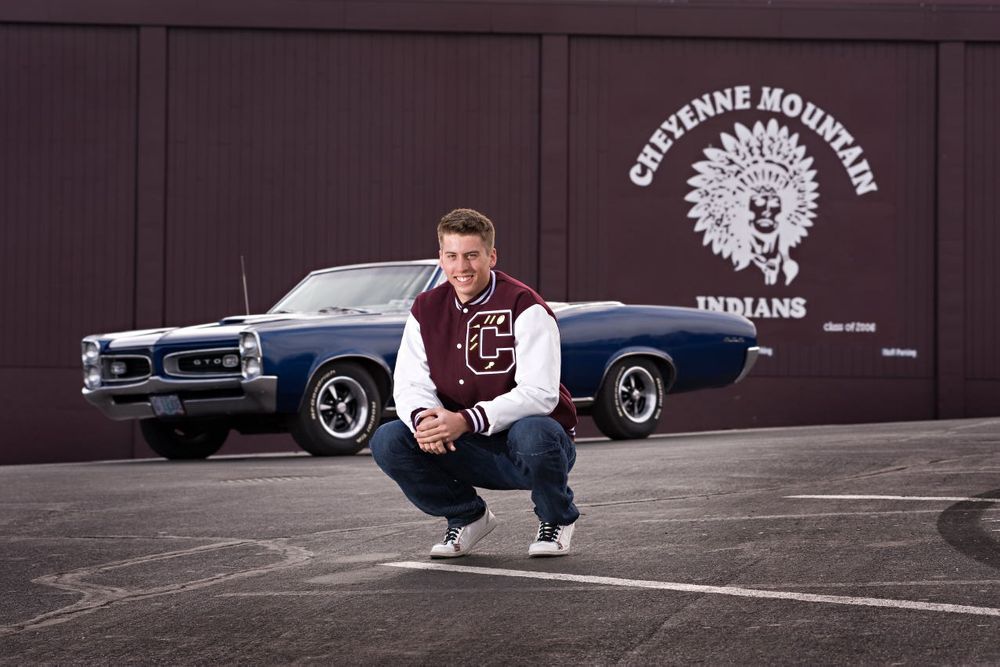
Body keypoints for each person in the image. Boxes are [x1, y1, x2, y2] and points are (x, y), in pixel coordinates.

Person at [370, 208, 579, 558]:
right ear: (440, 258)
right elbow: (409, 382)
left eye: (471, 255)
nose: (461, 267)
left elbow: (540, 394)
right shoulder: (426, 308)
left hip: (529, 448)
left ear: (491, 256)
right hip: (462, 445)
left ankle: (556, 518)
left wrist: (464, 419)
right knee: (389, 438)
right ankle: (466, 516)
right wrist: (426, 420)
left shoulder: (524, 305)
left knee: (534, 431)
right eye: (452, 256)